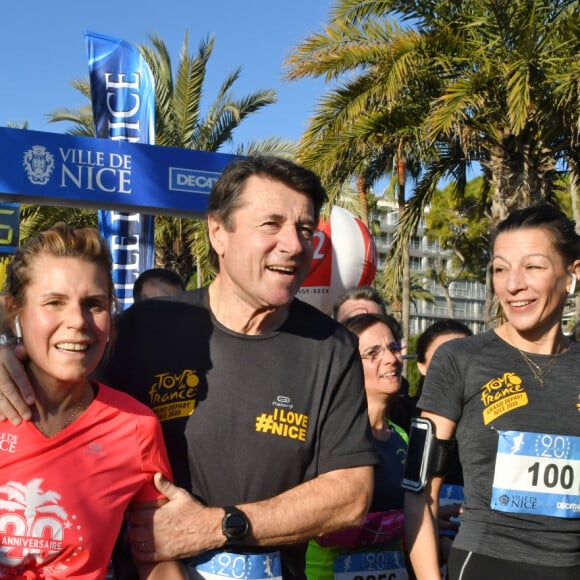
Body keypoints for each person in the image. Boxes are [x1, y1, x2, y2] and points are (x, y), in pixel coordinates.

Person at [0, 156, 377, 579]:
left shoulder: (333, 348)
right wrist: (9, 353)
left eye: (305, 229)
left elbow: (351, 495)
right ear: (218, 231)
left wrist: (219, 526)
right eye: (270, 224)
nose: (293, 244)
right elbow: (63, 366)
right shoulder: (145, 327)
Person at [404, 204, 580, 580]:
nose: (513, 284)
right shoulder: (459, 359)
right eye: (501, 269)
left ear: (571, 275)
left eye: (533, 267)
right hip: (485, 565)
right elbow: (419, 491)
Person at [0, 223, 183, 579]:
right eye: (54, 302)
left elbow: (157, 557)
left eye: (94, 304)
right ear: (14, 313)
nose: (77, 322)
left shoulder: (135, 426)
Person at [306, 312, 409, 580]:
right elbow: (327, 530)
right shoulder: (326, 435)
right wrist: (412, 519)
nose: (390, 359)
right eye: (373, 353)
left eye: (394, 347)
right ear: (347, 364)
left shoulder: (402, 436)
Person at [415, 319, 473, 575]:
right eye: (445, 358)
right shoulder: (408, 423)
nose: (457, 367)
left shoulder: (496, 427)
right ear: (422, 366)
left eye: (465, 355)